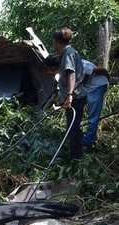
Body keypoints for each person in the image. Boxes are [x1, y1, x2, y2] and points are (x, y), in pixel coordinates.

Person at [51, 27, 86, 160]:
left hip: (75, 96)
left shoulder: (68, 54)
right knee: (73, 127)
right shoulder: (68, 53)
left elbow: (71, 74)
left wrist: (69, 95)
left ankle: (76, 158)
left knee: (73, 129)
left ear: (57, 41)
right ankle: (75, 155)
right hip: (75, 96)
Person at [81, 60, 109, 150]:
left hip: (97, 86)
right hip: (86, 89)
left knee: (93, 116)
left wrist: (108, 79)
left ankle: (87, 143)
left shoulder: (81, 65)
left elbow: (102, 70)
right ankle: (79, 137)